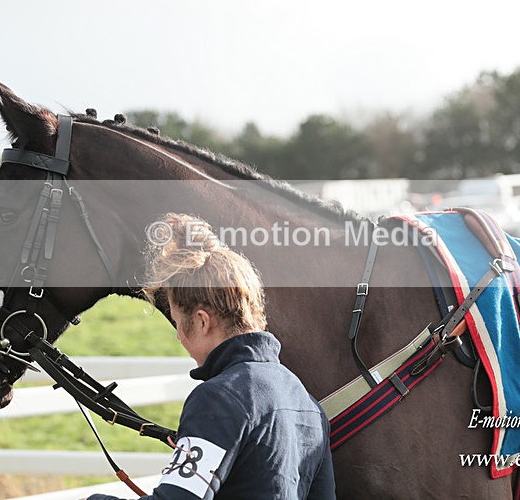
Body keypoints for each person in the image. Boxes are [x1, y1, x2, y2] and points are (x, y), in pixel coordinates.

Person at [87, 213, 335, 500]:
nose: (179, 335)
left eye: (179, 323)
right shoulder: (307, 402)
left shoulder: (218, 398)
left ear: (203, 322)